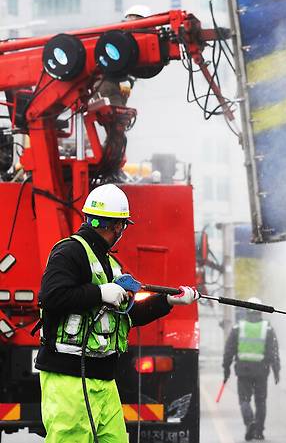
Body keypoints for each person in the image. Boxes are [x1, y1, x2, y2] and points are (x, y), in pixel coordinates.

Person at [35, 183, 199, 442]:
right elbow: (51, 296)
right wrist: (99, 293)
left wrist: (166, 301)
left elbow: (127, 316)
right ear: (115, 225)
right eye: (121, 225)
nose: (122, 231)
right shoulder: (69, 252)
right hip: (69, 378)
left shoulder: (110, 263)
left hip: (102, 378)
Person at [223, 297, 281, 441]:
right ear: (261, 311)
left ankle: (250, 423)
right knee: (260, 402)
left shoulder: (238, 327)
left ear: (246, 310)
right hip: (262, 370)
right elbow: (273, 351)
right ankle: (259, 431)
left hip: (243, 370)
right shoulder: (267, 328)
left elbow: (228, 351)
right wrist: (276, 371)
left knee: (244, 400)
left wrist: (226, 369)